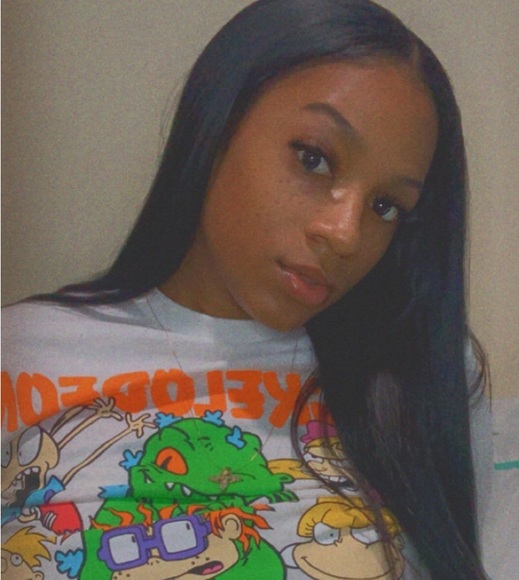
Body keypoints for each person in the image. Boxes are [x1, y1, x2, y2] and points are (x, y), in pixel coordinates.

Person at [1, 0, 492, 578]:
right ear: (217, 124)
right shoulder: (25, 350)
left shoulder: (419, 374)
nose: (345, 233)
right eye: (314, 159)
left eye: (386, 206)